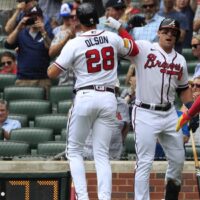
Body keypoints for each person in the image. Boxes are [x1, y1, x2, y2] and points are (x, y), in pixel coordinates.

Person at [47, 2, 139, 199]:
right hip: (108, 98)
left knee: (73, 151)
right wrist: (120, 27)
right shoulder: (112, 37)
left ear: (78, 21)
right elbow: (133, 49)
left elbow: (52, 72)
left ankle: (83, 197)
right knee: (101, 155)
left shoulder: (75, 43)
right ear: (96, 19)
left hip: (85, 95)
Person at [128, 18, 198, 200]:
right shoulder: (144, 48)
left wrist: (192, 111)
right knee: (144, 162)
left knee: (178, 158)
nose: (169, 35)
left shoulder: (180, 60)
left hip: (168, 113)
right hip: (144, 111)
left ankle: (170, 197)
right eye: (165, 31)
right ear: (158, 33)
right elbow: (125, 46)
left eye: (173, 32)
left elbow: (183, 89)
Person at [4, 5, 52, 97]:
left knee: (43, 108)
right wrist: (18, 27)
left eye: (37, 16)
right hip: (23, 79)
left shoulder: (47, 32)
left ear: (42, 18)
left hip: (42, 80)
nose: (34, 19)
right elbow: (8, 44)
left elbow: (50, 49)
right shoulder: (21, 33)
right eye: (31, 16)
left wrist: (43, 31)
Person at [83, 85, 130, 160]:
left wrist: (119, 141)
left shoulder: (122, 104)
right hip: (91, 152)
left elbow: (126, 126)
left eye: (115, 88)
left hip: (114, 153)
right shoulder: (91, 101)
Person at [49, 2, 76, 86]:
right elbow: (51, 53)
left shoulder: (85, 32)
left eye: (70, 17)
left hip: (80, 78)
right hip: (64, 78)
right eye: (65, 17)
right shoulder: (59, 33)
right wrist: (66, 38)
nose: (68, 20)